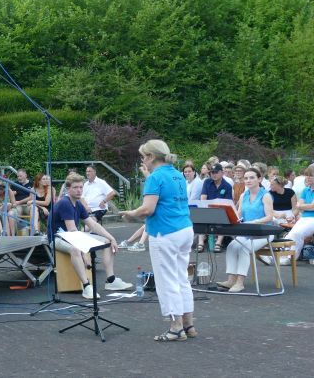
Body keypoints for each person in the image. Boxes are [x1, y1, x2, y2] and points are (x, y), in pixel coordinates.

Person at [122, 140, 195, 342]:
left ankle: (176, 328)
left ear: (151, 157)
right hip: (184, 229)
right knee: (181, 278)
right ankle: (188, 325)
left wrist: (131, 213)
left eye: (143, 156)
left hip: (165, 232)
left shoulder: (155, 178)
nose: (142, 160)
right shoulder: (177, 174)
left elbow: (148, 209)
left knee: (166, 281)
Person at [51, 172, 132, 300]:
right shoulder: (65, 203)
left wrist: (112, 238)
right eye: (75, 187)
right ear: (68, 189)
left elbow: (93, 224)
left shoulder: (78, 203)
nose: (79, 190)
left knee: (107, 242)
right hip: (57, 238)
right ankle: (86, 286)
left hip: (73, 235)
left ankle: (111, 280)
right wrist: (84, 252)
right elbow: (72, 232)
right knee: (75, 249)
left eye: (81, 187)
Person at [214, 167, 274, 292]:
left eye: (252, 177)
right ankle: (231, 280)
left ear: (259, 179)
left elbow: (269, 217)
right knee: (231, 247)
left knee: (243, 249)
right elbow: (238, 215)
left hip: (264, 232)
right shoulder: (243, 195)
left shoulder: (266, 195)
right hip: (247, 231)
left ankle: (240, 283)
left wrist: (253, 222)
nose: (248, 180)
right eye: (246, 178)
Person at [197, 162, 233, 253]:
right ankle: (200, 242)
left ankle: (218, 243)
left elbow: (227, 203)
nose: (214, 174)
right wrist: (205, 207)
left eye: (216, 172)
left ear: (222, 173)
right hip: (208, 209)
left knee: (224, 216)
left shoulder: (227, 186)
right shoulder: (207, 182)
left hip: (221, 210)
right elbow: (203, 198)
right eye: (212, 172)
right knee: (201, 215)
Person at [285, 165, 314, 264]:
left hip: (312, 218)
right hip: (304, 217)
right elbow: (299, 206)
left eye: (311, 175)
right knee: (290, 235)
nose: (308, 177)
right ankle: (282, 255)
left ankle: (291, 258)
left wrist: (302, 206)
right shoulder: (306, 190)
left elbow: (312, 206)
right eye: (307, 175)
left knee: (298, 233)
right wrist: (304, 206)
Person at [7, 169, 33, 234]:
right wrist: (12, 194)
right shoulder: (15, 184)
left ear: (26, 175)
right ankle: (13, 235)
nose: (19, 178)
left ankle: (33, 232)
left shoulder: (32, 183)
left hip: (28, 205)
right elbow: (10, 195)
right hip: (18, 206)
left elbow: (31, 197)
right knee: (11, 214)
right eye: (18, 176)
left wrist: (19, 202)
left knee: (34, 209)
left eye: (20, 176)